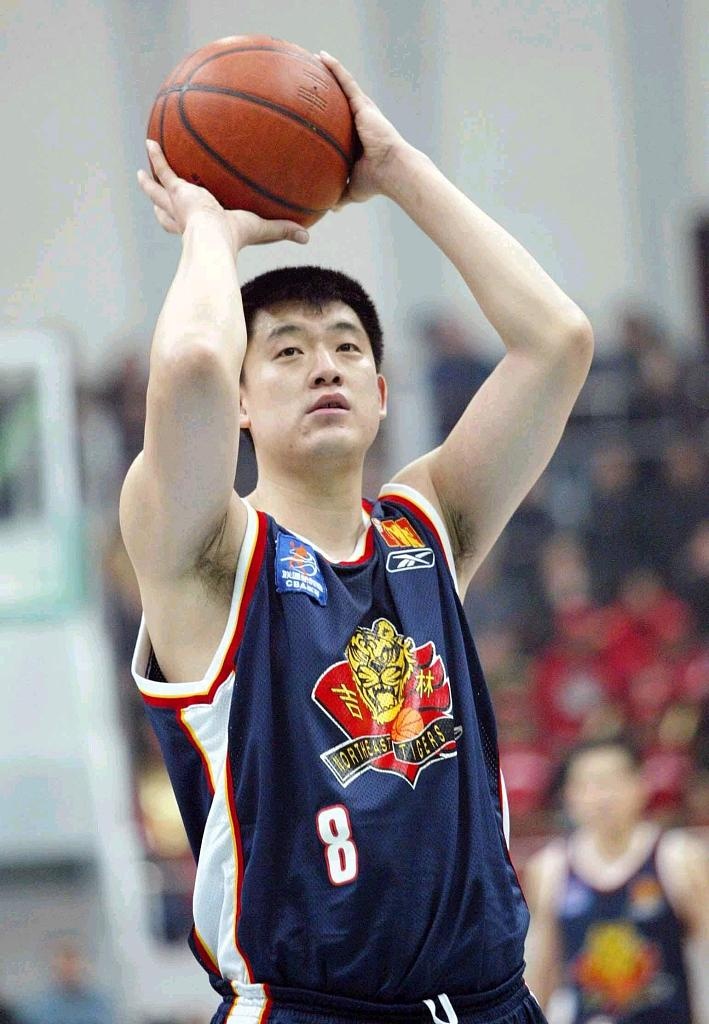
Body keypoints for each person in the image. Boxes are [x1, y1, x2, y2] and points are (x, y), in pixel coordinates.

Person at [123, 50, 594, 1024]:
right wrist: (211, 228)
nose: (324, 365)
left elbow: (556, 340)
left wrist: (396, 168)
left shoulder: (428, 523)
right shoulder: (209, 555)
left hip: (493, 1002)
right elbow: (194, 361)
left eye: (346, 346)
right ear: (241, 403)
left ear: (380, 394)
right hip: (307, 1007)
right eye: (287, 351)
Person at [524, 736, 709, 1023]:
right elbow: (541, 976)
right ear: (569, 796)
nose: (601, 797)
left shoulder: (679, 858)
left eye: (611, 781)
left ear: (641, 784)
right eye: (587, 785)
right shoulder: (549, 868)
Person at [17, 939, 115, 1024]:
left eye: (73, 968)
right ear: (55, 970)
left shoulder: (99, 1004)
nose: (70, 972)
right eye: (64, 968)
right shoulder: (38, 1007)